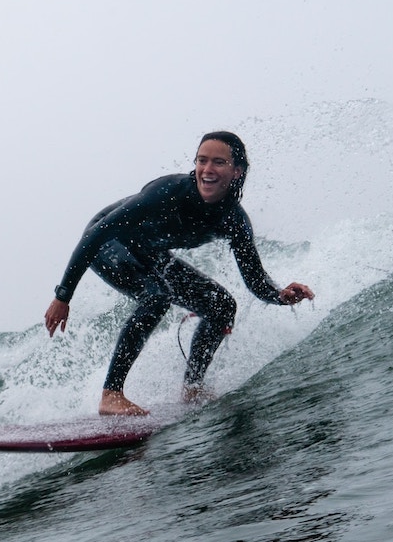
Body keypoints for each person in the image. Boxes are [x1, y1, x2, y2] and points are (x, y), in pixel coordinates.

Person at [43, 131, 313, 415]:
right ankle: (111, 395)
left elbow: (255, 281)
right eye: (201, 160)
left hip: (148, 252)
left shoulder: (234, 221)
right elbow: (95, 235)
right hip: (108, 243)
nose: (207, 170)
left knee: (221, 305)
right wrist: (63, 296)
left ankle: (192, 388)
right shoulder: (166, 193)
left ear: (236, 171)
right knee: (156, 298)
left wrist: (281, 295)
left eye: (218, 162)